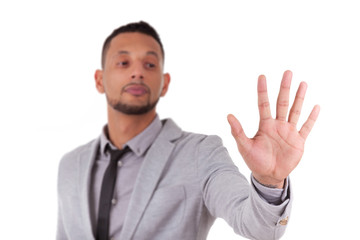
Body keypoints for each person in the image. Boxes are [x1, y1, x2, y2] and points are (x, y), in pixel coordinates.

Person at [56, 21, 320, 240]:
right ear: (100, 80)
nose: (137, 72)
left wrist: (270, 182)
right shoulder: (70, 165)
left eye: (149, 64)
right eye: (123, 63)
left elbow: (257, 227)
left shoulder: (200, 154)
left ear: (164, 83)